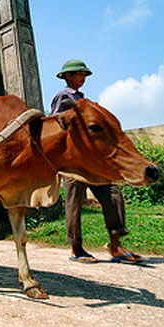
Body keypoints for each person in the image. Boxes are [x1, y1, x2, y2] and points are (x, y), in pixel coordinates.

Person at [51, 60, 142, 264]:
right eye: (79, 74)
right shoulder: (63, 96)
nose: (83, 78)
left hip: (93, 160)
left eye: (85, 74)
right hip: (75, 160)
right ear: (68, 76)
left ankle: (115, 245)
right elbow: (57, 122)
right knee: (74, 202)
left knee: (113, 194)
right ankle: (76, 248)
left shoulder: (85, 100)